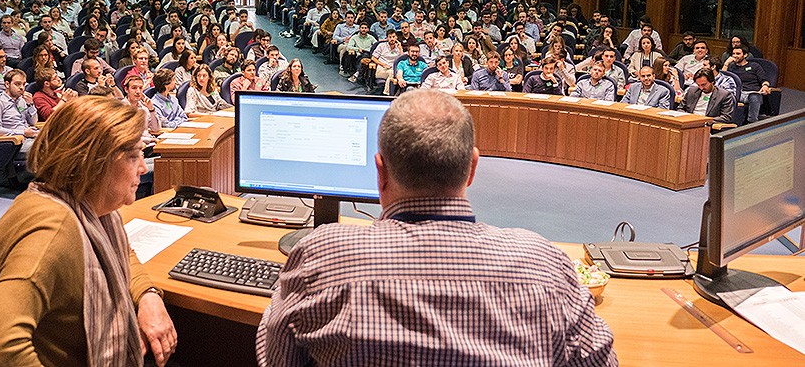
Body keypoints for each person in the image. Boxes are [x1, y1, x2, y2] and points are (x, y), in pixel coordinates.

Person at [256, 89, 617, 366]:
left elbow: (276, 359)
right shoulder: (545, 266)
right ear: (472, 168)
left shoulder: (320, 256)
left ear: (380, 172)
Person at [0, 96, 177, 366]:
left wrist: (147, 296)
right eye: (133, 157)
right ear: (93, 164)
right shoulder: (53, 231)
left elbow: (123, 253)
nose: (143, 168)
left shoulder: (89, 208)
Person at [0, 69, 39, 156]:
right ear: (7, 84)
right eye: (17, 84)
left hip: (29, 137)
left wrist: (31, 104)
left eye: (23, 84)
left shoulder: (22, 100)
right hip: (15, 143)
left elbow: (33, 122)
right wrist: (23, 132)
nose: (22, 87)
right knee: (47, 147)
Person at [726, 45, 771, 123]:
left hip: (752, 93)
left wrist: (765, 86)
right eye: (733, 54)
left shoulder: (754, 66)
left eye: (738, 53)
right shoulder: (731, 67)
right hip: (737, 93)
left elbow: (764, 80)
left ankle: (752, 123)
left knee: (754, 97)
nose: (735, 56)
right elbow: (723, 77)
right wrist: (726, 63)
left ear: (745, 55)